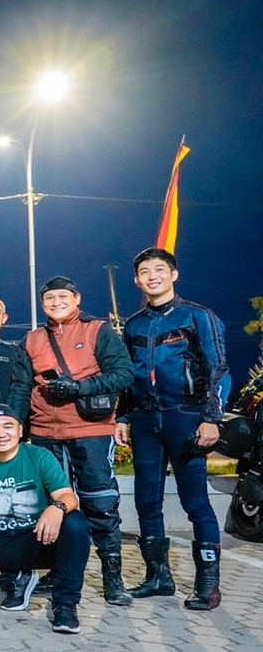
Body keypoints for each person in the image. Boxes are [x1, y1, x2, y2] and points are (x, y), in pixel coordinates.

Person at [119, 247, 230, 610]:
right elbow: (128, 376)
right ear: (137, 280)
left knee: (195, 501)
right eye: (144, 272)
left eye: (159, 269)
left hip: (186, 417)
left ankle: (208, 586)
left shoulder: (198, 316)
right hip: (145, 421)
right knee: (146, 501)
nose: (152, 276)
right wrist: (122, 417)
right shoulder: (133, 325)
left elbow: (218, 369)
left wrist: (211, 418)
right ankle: (158, 577)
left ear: (173, 274)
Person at [23, 276, 136, 607]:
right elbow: (22, 385)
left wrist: (80, 388)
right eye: (49, 298)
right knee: (53, 505)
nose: (56, 302)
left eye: (63, 296)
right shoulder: (32, 339)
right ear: (42, 304)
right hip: (44, 433)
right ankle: (59, 570)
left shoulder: (97, 330)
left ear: (77, 299)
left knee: (101, 502)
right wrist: (19, 425)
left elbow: (124, 374)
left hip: (91, 431)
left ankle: (112, 577)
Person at [0, 405, 89, 635]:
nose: (1, 434)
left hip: (40, 538)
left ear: (20, 430)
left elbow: (68, 496)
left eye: (8, 426)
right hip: (2, 541)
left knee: (76, 522)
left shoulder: (39, 456)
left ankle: (65, 605)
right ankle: (15, 579)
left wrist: (57, 508)